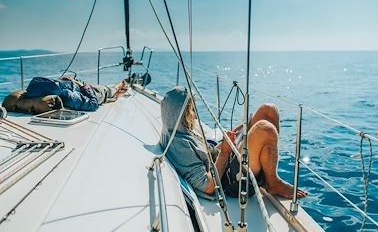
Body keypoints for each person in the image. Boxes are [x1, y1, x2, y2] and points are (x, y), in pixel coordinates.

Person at [160, 86, 307, 199]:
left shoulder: (181, 129)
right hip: (230, 181)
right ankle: (272, 182)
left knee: (268, 110)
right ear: (181, 114)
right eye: (191, 110)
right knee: (265, 129)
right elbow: (208, 186)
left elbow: (207, 154)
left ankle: (268, 175)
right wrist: (224, 152)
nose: (194, 114)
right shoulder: (179, 146)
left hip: (227, 161)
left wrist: (230, 140)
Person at [25, 76, 128, 111]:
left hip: (83, 89)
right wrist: (83, 86)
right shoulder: (68, 96)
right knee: (106, 90)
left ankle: (115, 95)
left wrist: (71, 81)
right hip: (93, 93)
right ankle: (119, 87)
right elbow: (93, 104)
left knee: (101, 88)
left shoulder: (35, 86)